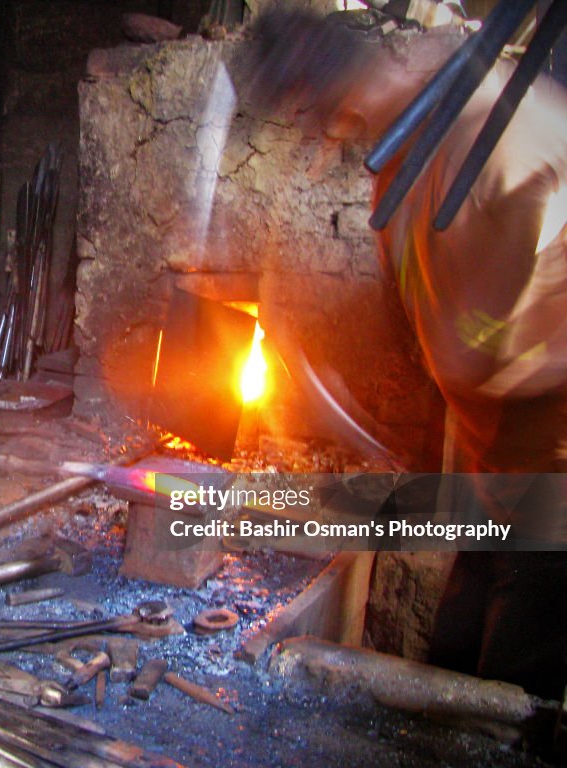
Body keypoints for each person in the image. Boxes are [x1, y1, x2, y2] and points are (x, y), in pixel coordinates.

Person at [247, 10, 567, 699]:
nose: (320, 135)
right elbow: (439, 294)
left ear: (327, 93)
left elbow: (508, 326)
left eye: (312, 113)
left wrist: (464, 366)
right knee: (453, 653)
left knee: (512, 690)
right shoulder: (403, 144)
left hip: (554, 460)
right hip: (498, 461)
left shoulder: (496, 129)